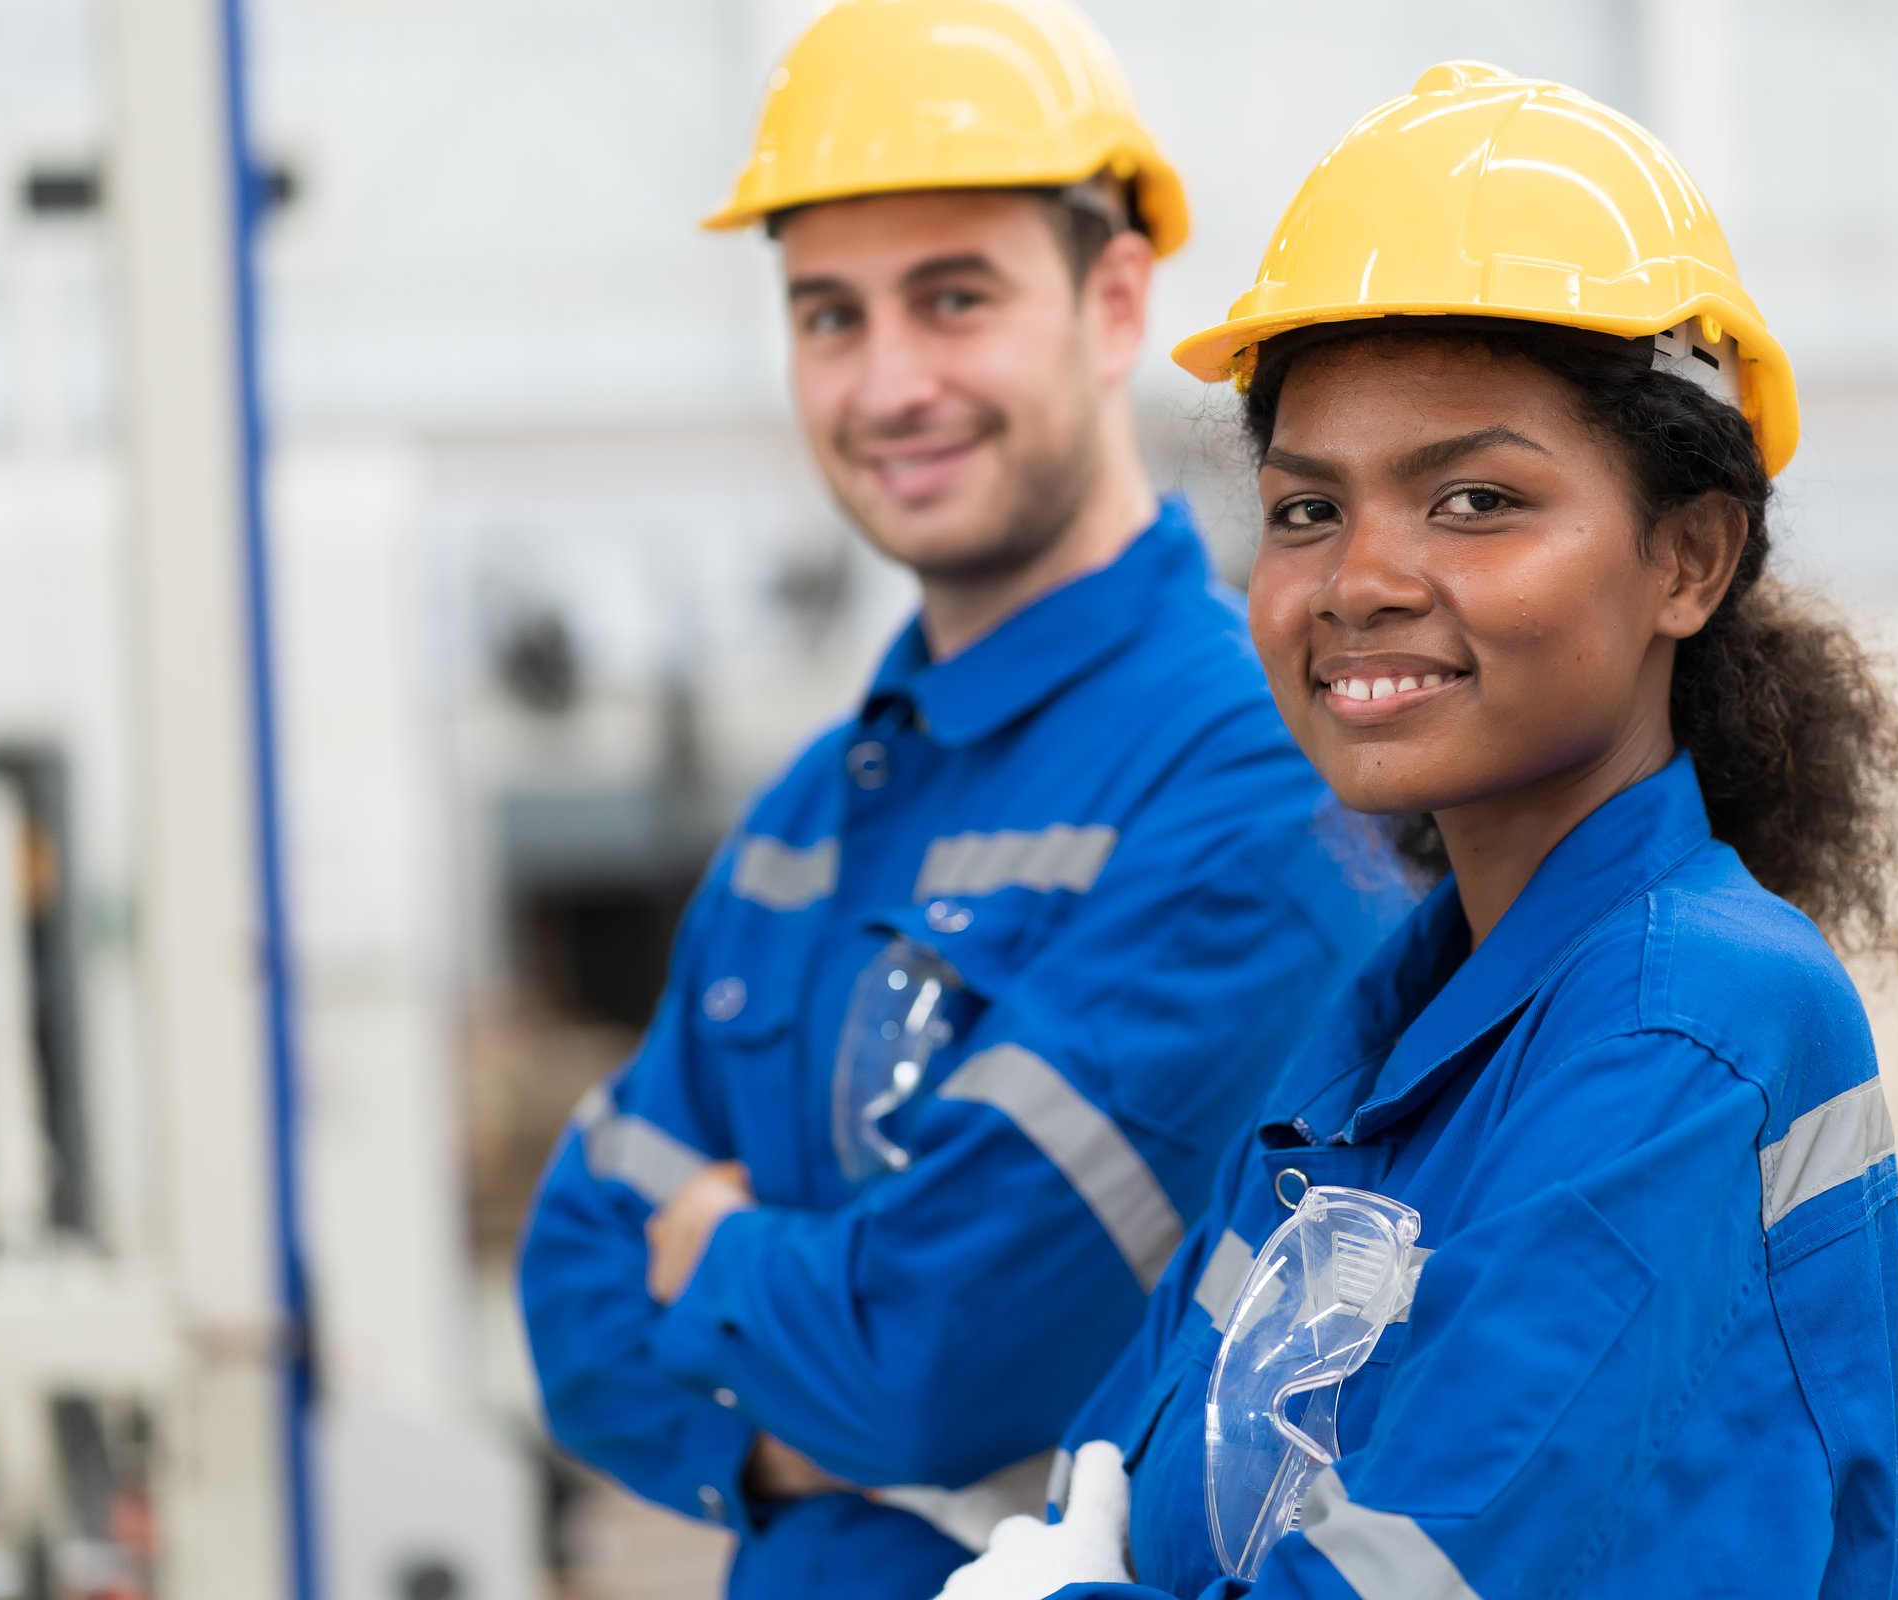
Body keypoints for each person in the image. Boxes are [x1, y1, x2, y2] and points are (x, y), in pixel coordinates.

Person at [938, 62, 1898, 1600]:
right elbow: (1127, 1460)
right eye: (1306, 509)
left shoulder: (1693, 1023)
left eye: (1472, 500)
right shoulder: (1382, 1033)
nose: (1359, 580)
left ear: (1690, 559)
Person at [515, 5, 1405, 1596]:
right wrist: (816, 1383)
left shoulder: (1254, 782)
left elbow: (927, 1362)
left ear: (1114, 298)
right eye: (829, 317)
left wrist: (719, 1255)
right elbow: (575, 1296)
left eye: (955, 299)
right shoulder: (814, 812)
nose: (889, 383)